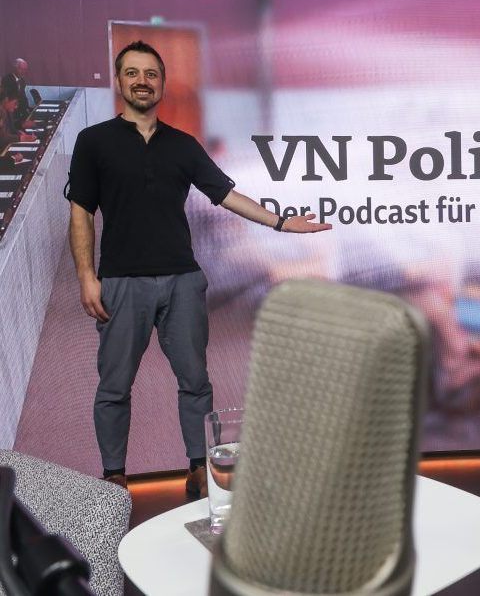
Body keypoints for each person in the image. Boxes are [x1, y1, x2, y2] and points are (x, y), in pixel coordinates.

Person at [65, 41, 332, 495]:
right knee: (114, 387)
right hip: (121, 282)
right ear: (119, 82)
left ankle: (197, 468)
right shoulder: (93, 142)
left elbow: (226, 195)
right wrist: (87, 277)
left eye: (151, 74)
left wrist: (282, 222)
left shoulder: (183, 145)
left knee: (195, 382)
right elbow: (80, 213)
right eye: (133, 73)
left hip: (182, 281)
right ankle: (113, 477)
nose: (142, 81)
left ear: (162, 84)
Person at [1, 58, 30, 125]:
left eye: (25, 69)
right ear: (15, 68)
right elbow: (6, 99)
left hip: (21, 114)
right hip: (10, 115)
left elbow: (23, 98)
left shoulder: (22, 81)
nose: (23, 71)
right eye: (21, 69)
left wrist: (28, 111)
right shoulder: (7, 79)